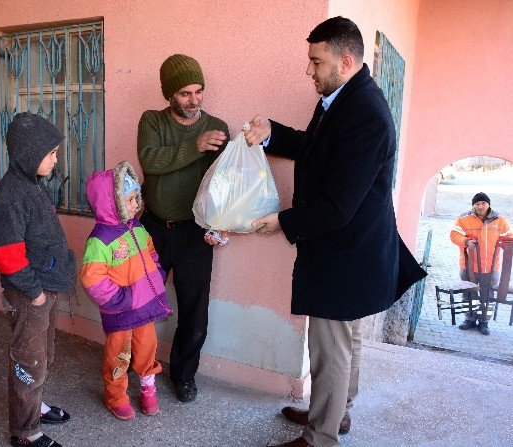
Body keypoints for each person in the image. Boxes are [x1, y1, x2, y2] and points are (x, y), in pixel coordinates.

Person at [243, 17, 426, 447]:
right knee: (345, 340)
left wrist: (282, 223)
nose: (309, 71)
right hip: (353, 250)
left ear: (344, 60)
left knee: (331, 346)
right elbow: (318, 148)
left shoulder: (366, 115)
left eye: (315, 61)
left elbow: (338, 206)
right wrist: (273, 135)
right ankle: (336, 412)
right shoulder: (345, 97)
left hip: (346, 253)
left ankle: (321, 436)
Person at [137, 54, 230, 403]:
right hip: (153, 229)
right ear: (168, 95)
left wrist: (221, 226)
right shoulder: (152, 121)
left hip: (195, 233)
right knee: (141, 304)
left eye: (198, 91)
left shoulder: (217, 127)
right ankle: (137, 367)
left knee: (194, 312)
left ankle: (184, 376)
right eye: (185, 93)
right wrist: (195, 146)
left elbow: (224, 186)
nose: (194, 100)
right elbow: (150, 160)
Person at [0, 112, 76, 447]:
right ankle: (25, 432)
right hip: (30, 295)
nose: (56, 159)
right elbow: (7, 255)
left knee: (44, 356)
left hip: (44, 290)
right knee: (29, 361)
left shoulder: (33, 184)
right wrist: (36, 295)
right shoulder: (10, 195)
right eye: (51, 153)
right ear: (29, 155)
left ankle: (35, 408)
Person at [80, 160, 172, 420]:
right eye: (130, 200)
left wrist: (157, 276)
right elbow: (92, 278)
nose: (136, 205)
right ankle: (116, 396)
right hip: (121, 312)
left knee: (146, 350)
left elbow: (152, 254)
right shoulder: (100, 240)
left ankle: (148, 389)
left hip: (145, 307)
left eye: (136, 198)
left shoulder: (138, 228)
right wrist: (123, 299)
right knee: (118, 356)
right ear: (113, 203)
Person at [450, 192, 511, 335]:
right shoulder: (463, 219)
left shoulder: (500, 220)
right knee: (468, 293)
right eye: (477, 204)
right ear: (473, 205)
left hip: (491, 267)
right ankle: (469, 319)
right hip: (468, 266)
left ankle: (484, 322)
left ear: (488, 204)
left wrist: (504, 244)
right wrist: (466, 241)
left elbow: (509, 237)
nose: (480, 206)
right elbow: (454, 235)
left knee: (487, 295)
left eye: (483, 203)